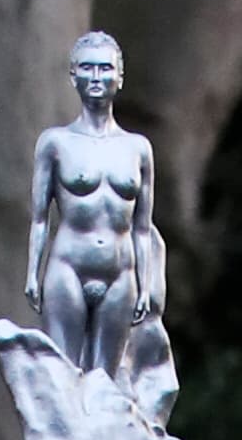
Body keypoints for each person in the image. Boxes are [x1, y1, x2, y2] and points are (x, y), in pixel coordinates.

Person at [25, 31, 164, 383]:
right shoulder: (55, 143)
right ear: (74, 76)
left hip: (120, 273)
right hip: (68, 266)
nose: (97, 78)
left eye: (105, 69)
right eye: (88, 68)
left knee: (105, 384)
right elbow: (40, 218)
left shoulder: (137, 148)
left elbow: (142, 227)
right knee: (62, 379)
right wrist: (32, 273)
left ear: (120, 75)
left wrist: (145, 284)